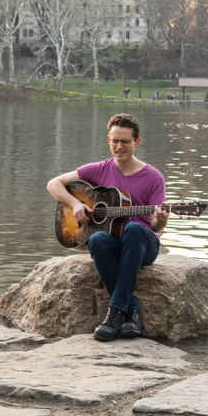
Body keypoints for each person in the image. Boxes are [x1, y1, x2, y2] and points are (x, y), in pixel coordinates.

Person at [46, 113, 168, 342]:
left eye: (125, 141)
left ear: (137, 142)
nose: (119, 147)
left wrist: (161, 220)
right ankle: (131, 312)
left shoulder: (153, 177)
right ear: (108, 140)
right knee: (97, 239)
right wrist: (75, 203)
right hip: (115, 242)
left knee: (133, 228)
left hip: (142, 245)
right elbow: (54, 184)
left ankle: (114, 314)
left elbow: (155, 226)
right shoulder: (99, 169)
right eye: (115, 141)